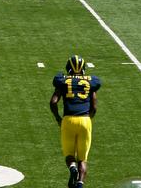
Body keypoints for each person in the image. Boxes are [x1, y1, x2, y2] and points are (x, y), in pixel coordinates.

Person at [50, 55, 101, 188]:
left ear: (68, 68)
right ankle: (79, 183)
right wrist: (88, 118)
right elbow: (94, 106)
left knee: (69, 155)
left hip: (68, 120)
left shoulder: (62, 80)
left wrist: (58, 118)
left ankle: (72, 168)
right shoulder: (91, 81)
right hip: (85, 120)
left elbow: (53, 102)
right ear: (83, 68)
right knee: (83, 159)